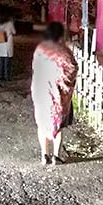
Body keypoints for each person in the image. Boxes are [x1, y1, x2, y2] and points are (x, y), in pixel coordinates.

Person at [31, 22, 78, 166]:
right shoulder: (63, 51)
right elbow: (72, 69)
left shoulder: (40, 48)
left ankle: (44, 155)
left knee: (42, 122)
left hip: (41, 90)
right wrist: (60, 80)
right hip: (58, 93)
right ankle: (56, 156)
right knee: (59, 124)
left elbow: (35, 67)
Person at [0, 13, 16, 81]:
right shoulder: (9, 23)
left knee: (0, 61)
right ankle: (7, 76)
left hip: (0, 44)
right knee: (7, 62)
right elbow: (14, 32)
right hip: (7, 44)